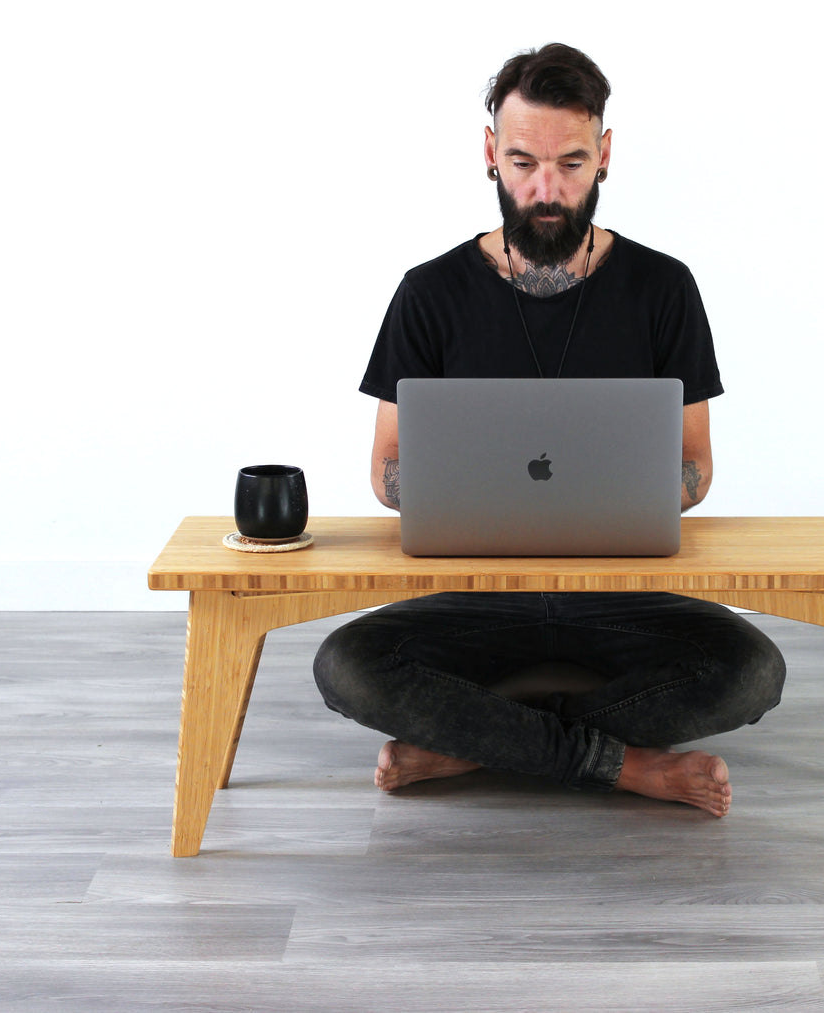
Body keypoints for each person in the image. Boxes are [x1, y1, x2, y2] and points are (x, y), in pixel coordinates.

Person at [313, 44, 785, 817]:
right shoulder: (428, 294)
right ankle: (626, 766)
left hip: (620, 589)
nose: (545, 189)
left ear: (604, 156)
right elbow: (387, 471)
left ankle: (476, 746)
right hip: (477, 592)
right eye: (524, 161)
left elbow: (694, 468)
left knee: (751, 671)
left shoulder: (663, 287)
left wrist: (634, 496)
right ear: (489, 156)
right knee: (348, 665)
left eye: (570, 163)